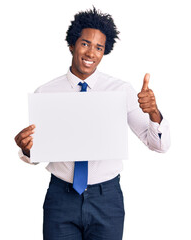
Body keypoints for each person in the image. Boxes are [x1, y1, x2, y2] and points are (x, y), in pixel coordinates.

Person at [14, 7, 170, 240]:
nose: (91, 53)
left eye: (99, 47)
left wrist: (154, 113)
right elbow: (36, 154)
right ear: (71, 45)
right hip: (60, 198)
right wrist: (26, 148)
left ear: (104, 52)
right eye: (85, 43)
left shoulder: (121, 91)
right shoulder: (46, 93)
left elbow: (159, 146)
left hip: (106, 198)